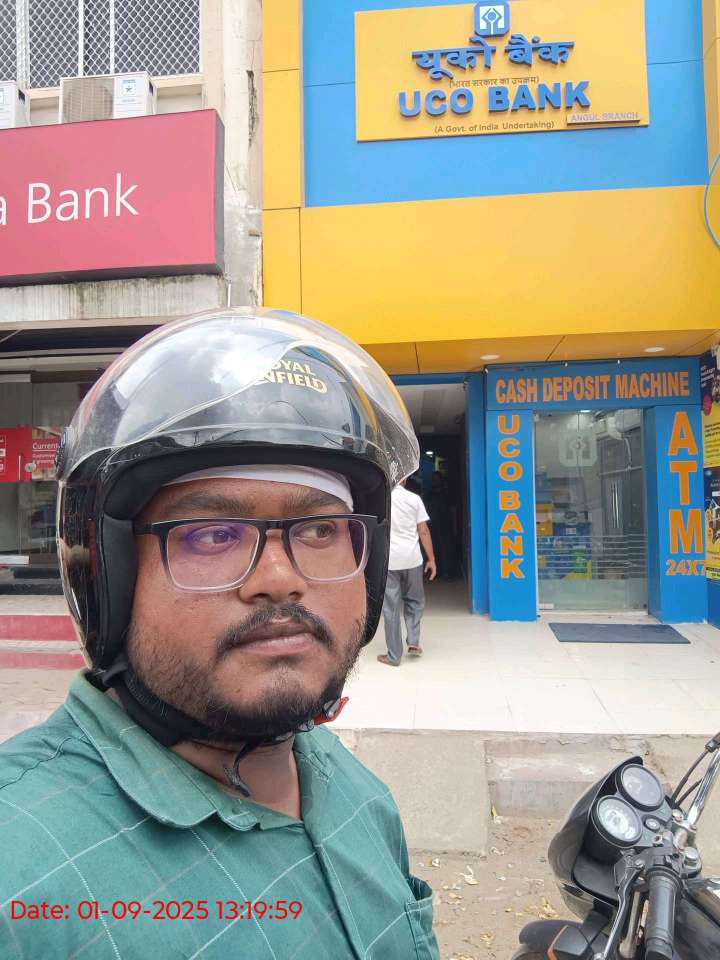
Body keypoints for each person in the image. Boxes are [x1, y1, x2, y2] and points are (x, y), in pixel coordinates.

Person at [0, 310, 439, 960]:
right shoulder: (18, 867)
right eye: (212, 534)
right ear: (109, 577)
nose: (280, 580)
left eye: (320, 529)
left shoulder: (353, 788)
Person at [378, 479, 436, 666]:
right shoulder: (414, 499)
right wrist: (432, 559)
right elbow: (423, 531)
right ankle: (413, 641)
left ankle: (394, 656)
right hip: (412, 559)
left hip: (390, 560)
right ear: (405, 479)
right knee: (415, 601)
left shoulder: (381, 499)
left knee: (391, 608)